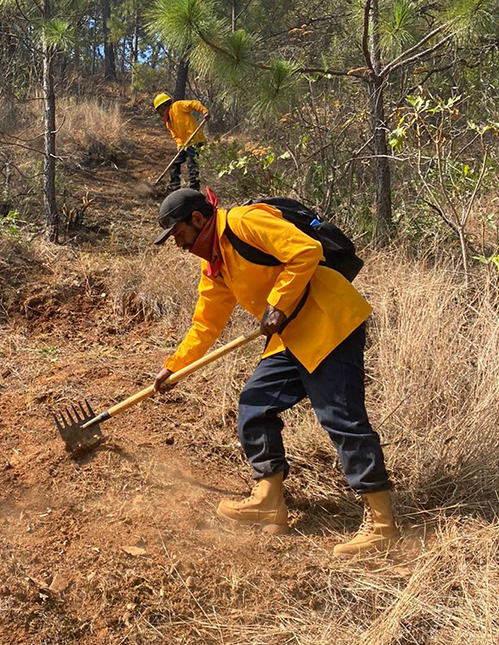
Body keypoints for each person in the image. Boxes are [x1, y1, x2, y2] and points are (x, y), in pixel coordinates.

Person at [149, 188, 399, 555]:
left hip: (330, 324)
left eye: (178, 235)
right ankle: (269, 501)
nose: (178, 244)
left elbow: (306, 251)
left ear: (198, 220)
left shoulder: (243, 222)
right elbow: (205, 323)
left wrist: (278, 305)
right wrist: (175, 368)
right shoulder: (215, 264)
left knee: (341, 418)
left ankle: (382, 525)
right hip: (291, 338)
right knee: (255, 404)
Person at [152, 92, 207, 193]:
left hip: (194, 140)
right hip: (185, 144)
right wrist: (180, 145)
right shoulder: (168, 121)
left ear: (165, 105)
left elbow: (193, 104)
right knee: (174, 164)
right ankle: (174, 187)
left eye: (159, 110)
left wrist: (204, 112)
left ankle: (194, 190)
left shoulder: (177, 106)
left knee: (192, 165)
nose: (159, 113)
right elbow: (175, 136)